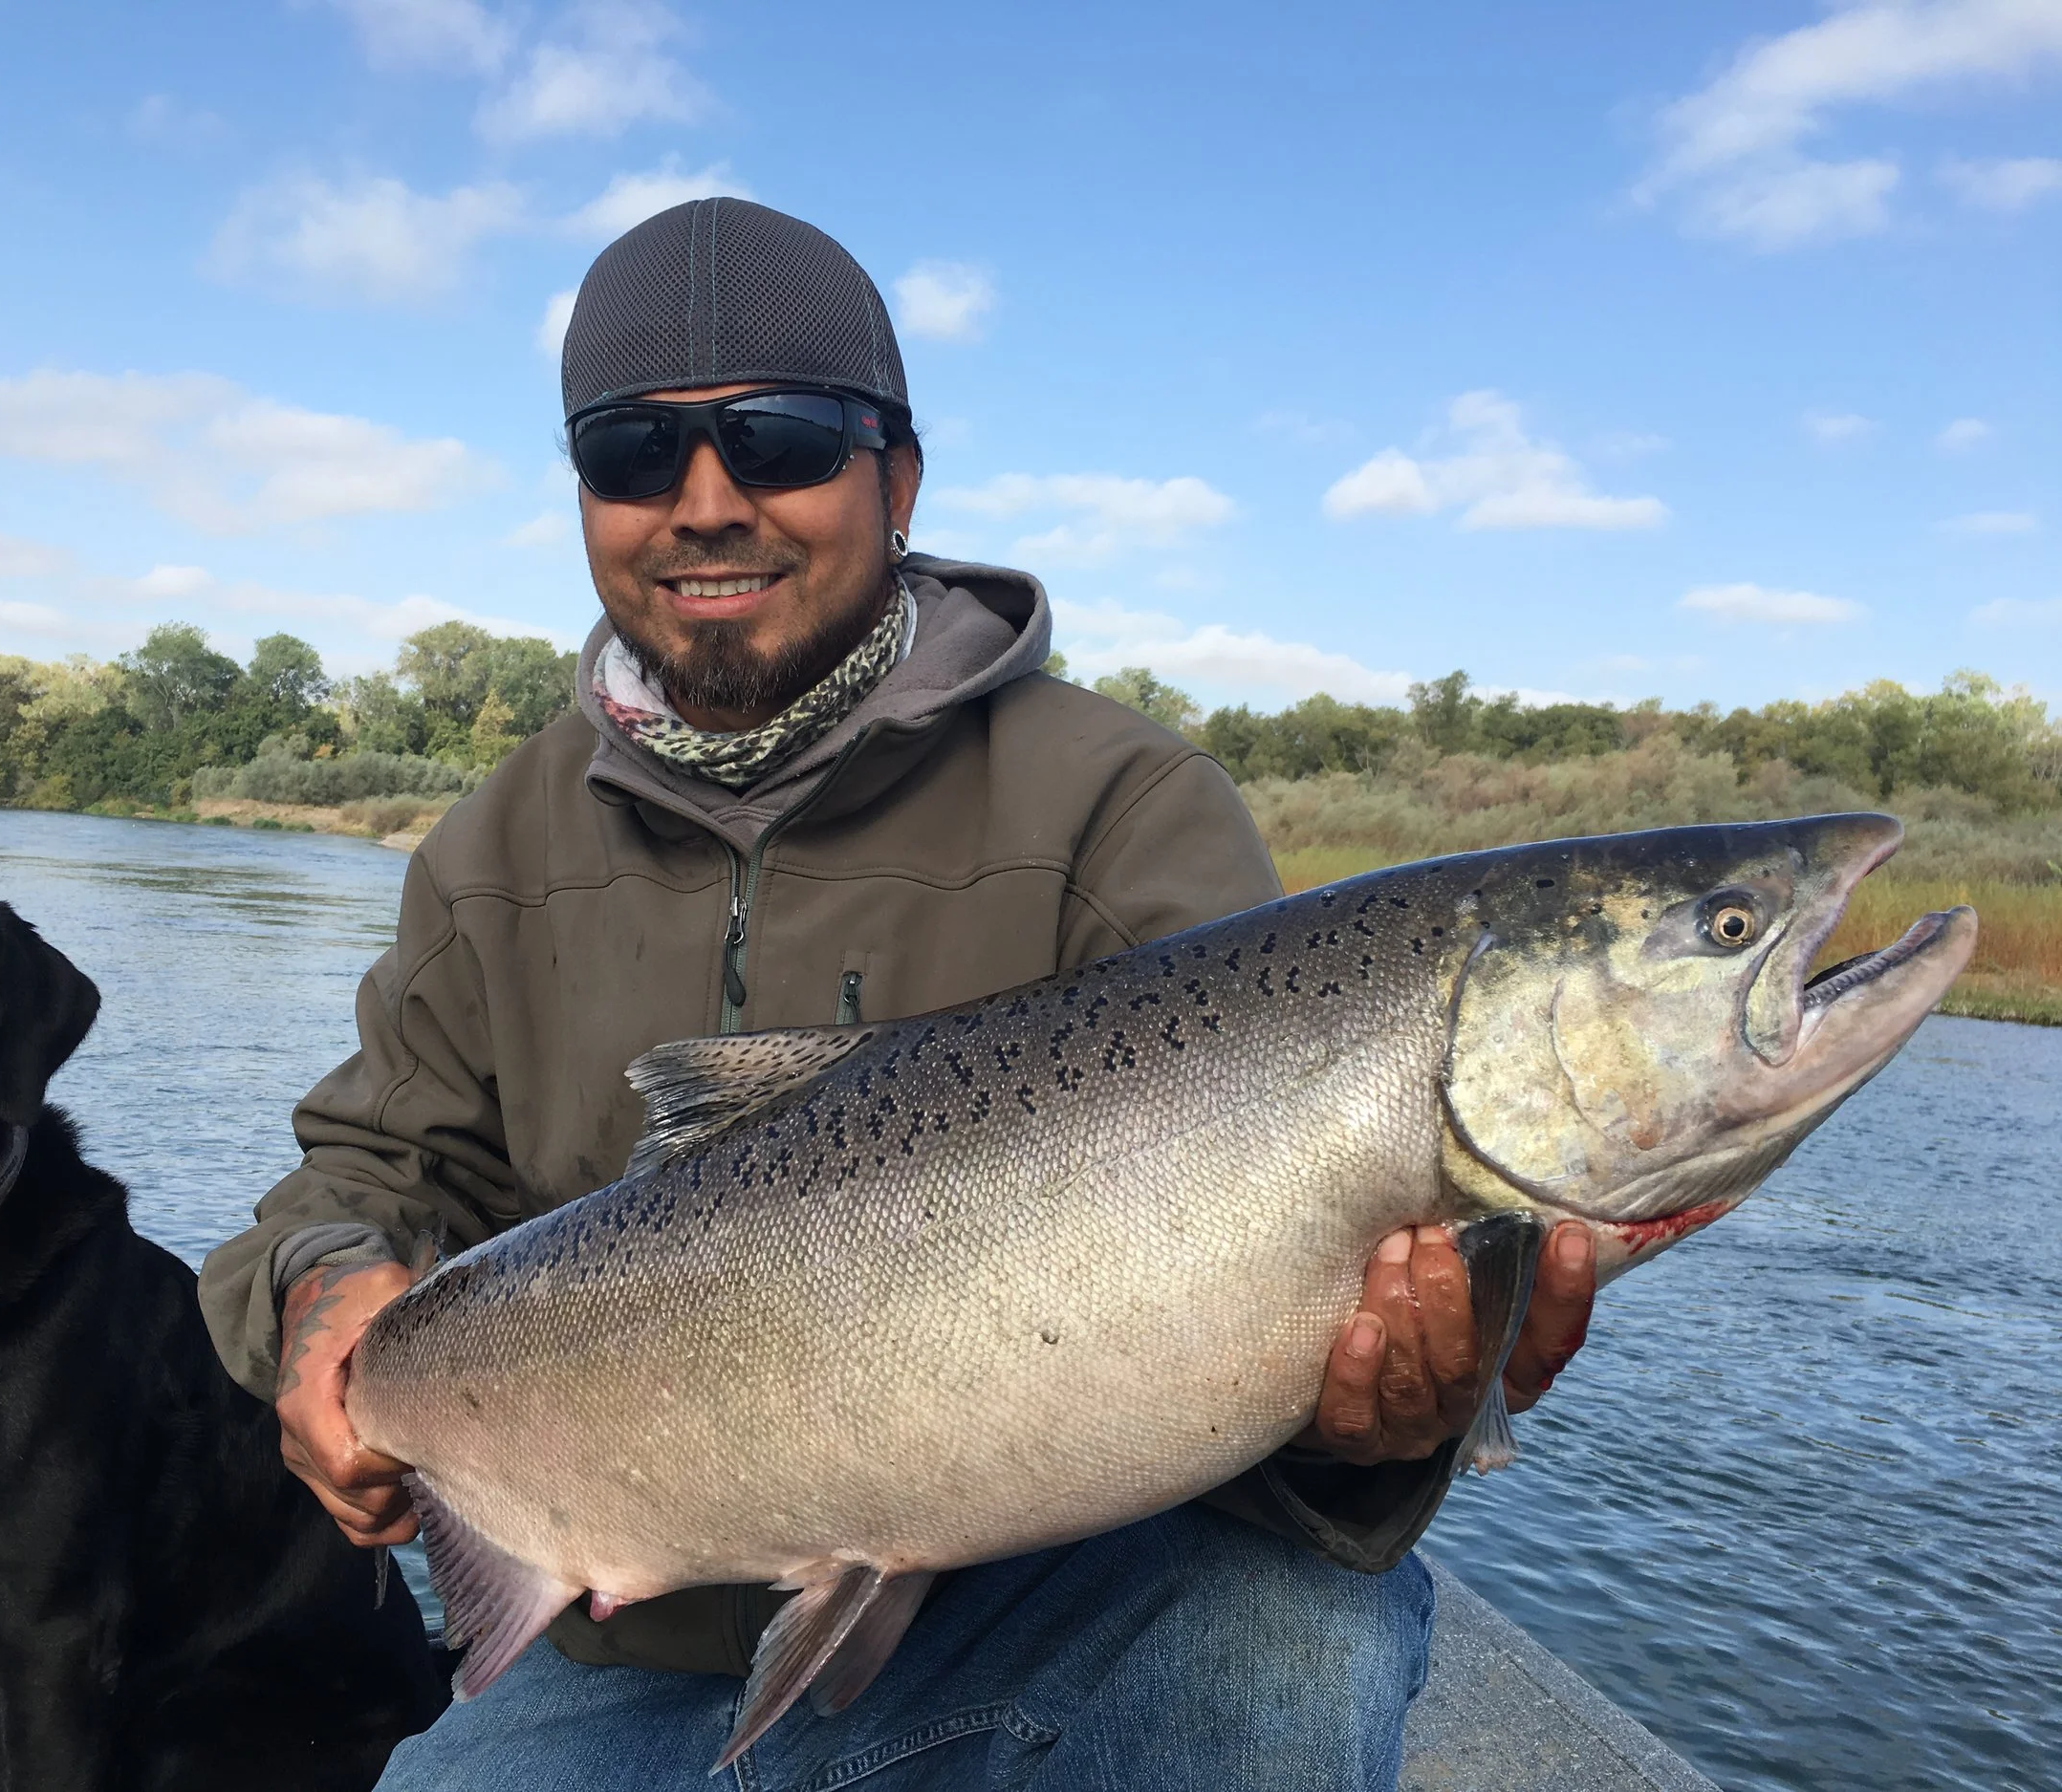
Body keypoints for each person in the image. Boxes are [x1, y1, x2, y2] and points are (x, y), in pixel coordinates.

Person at [198, 198, 1595, 1792]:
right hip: (610, 1650)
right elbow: (364, 1173)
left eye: (779, 440)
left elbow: (1259, 1320)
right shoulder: (486, 849)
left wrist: (1377, 1434)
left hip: (1029, 1622)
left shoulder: (1121, 807)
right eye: (634, 452)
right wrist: (320, 1293)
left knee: (1292, 1641)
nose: (705, 504)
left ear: (899, 475)